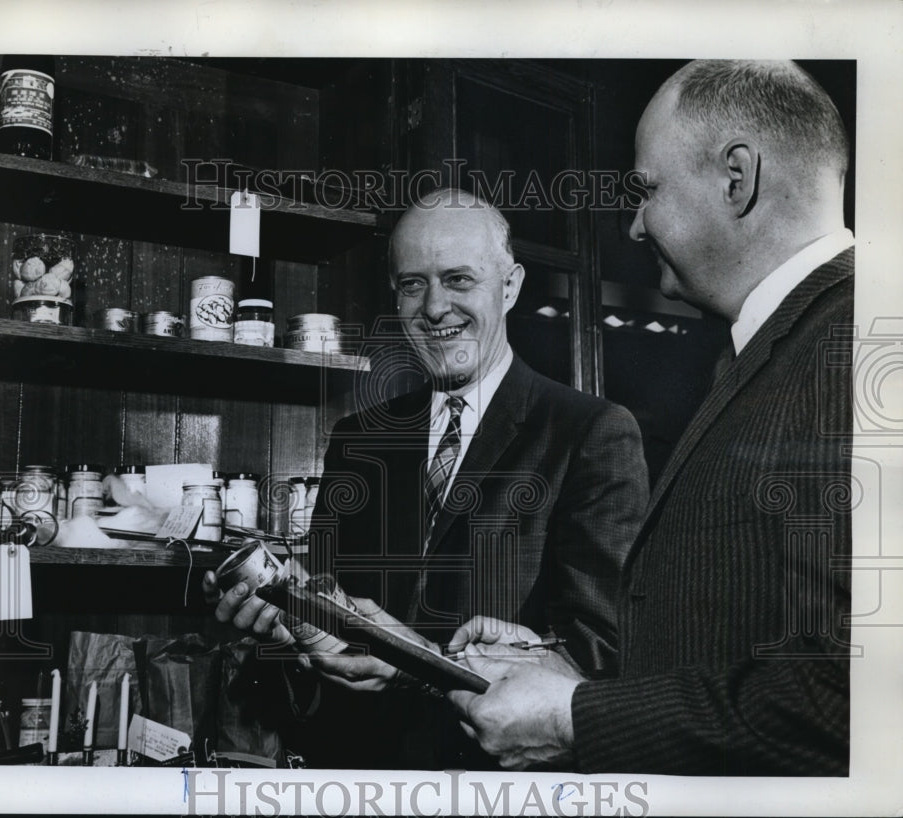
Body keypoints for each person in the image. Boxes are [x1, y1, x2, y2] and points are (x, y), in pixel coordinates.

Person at [447, 60, 855, 776]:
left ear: (737, 177)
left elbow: (852, 701)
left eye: (647, 191)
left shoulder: (856, 345)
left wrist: (577, 719)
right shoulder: (784, 346)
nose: (634, 227)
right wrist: (569, 675)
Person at [205, 187, 649, 767]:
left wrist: (417, 664)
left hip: (501, 792)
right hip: (361, 783)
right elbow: (330, 619)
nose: (435, 307)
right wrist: (291, 628)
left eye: (459, 279)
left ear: (510, 286)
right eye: (413, 284)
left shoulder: (590, 433)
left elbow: (600, 657)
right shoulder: (358, 439)